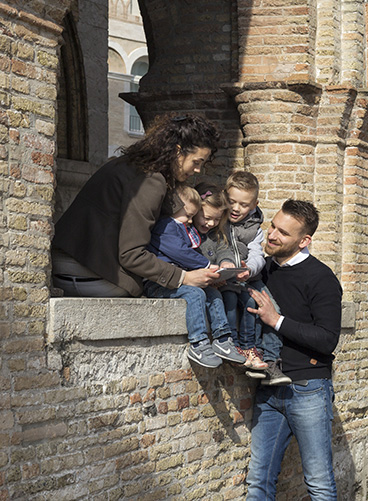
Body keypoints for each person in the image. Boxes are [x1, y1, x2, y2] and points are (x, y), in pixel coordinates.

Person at [52, 114, 222, 297]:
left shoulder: (132, 166)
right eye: (196, 162)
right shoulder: (150, 181)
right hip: (88, 273)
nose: (197, 170)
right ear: (177, 151)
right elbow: (132, 255)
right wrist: (184, 277)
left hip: (67, 266)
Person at [245, 199, 342, 500]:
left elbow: (328, 339)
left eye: (283, 233)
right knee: (258, 482)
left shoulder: (321, 278)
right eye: (272, 226)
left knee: (319, 483)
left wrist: (276, 320)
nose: (272, 235)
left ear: (304, 241)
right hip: (268, 386)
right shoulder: (263, 271)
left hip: (308, 389)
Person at [144, 185, 246, 368]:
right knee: (196, 294)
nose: (190, 221)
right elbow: (180, 252)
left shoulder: (180, 226)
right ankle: (198, 343)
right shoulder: (166, 225)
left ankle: (222, 338)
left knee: (213, 294)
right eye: (189, 215)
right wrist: (206, 265)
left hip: (177, 280)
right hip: (158, 282)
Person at [219, 171, 289, 384]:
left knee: (271, 308)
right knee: (244, 304)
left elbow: (258, 254)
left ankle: (270, 360)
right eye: (232, 202)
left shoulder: (254, 229)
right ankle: (248, 351)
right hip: (227, 278)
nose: (236, 208)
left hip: (249, 276)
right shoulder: (217, 220)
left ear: (254, 204)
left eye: (243, 204)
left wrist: (249, 269)